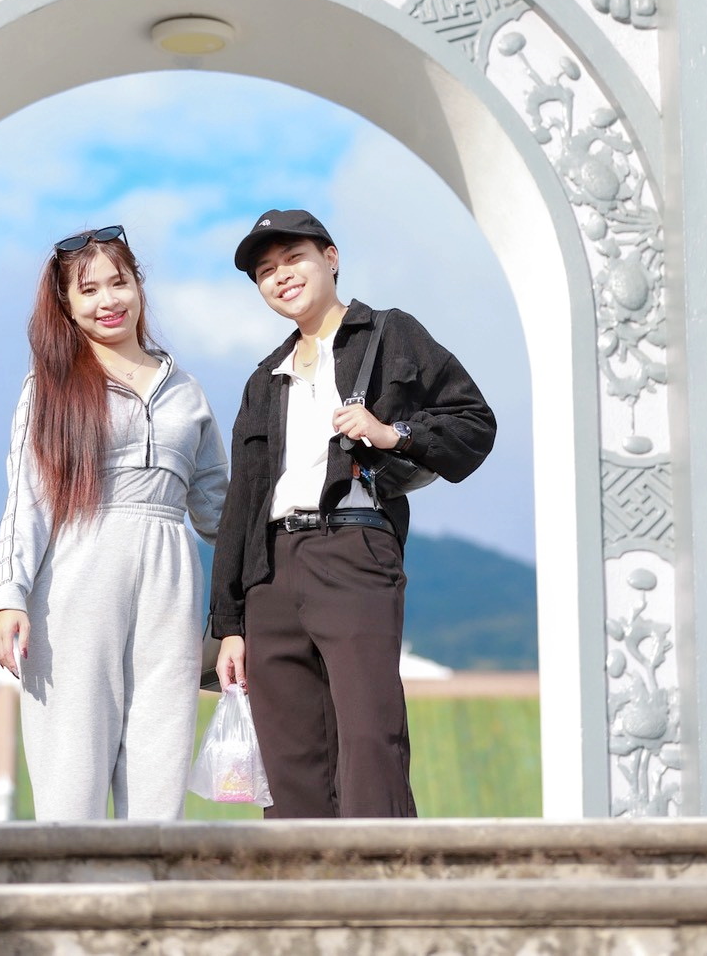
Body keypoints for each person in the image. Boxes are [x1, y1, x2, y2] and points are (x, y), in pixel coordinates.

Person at [210, 208, 496, 819]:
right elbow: (242, 505)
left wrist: (393, 433)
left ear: (331, 258)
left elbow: (473, 422)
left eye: (294, 258)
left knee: (369, 736)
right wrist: (229, 624)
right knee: (287, 755)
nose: (282, 276)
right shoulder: (264, 379)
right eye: (266, 271)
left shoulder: (390, 335)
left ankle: (383, 873)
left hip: (353, 548)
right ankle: (301, 880)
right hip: (269, 575)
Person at [0, 224, 227, 821]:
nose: (107, 301)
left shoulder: (186, 391)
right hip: (76, 576)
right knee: (73, 760)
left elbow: (220, 512)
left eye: (118, 283)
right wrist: (8, 596)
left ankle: (149, 879)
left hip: (171, 578)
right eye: (88, 290)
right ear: (67, 306)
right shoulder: (49, 388)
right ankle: (70, 881)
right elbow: (26, 499)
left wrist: (261, 592)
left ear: (138, 286)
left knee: (161, 758)